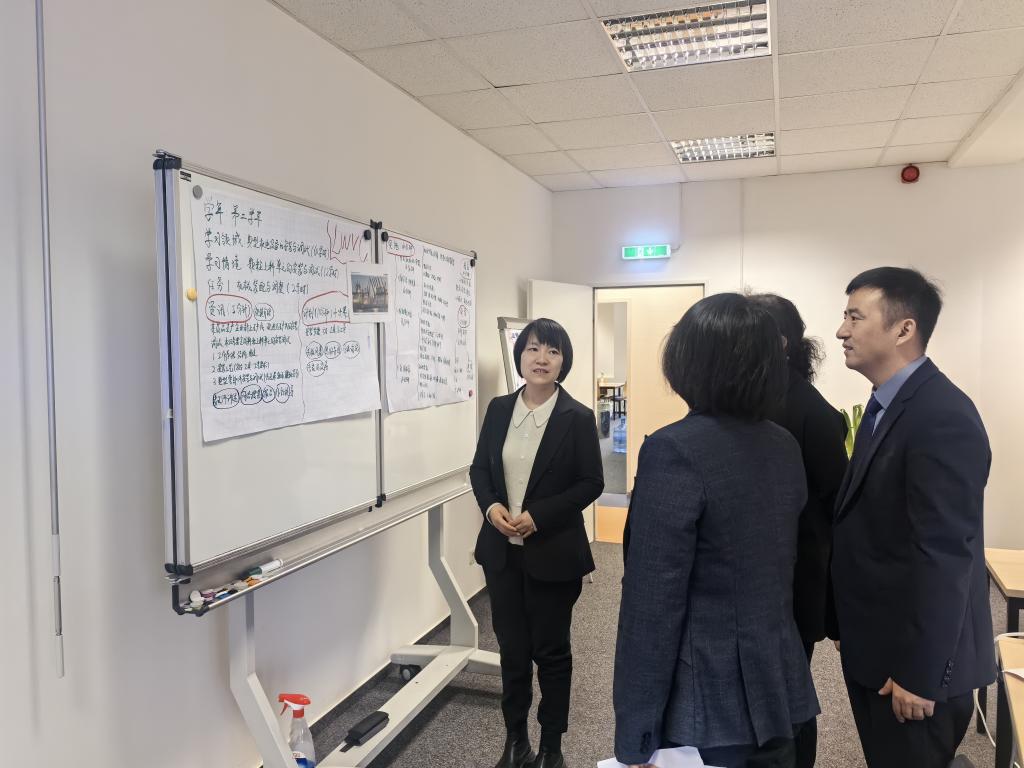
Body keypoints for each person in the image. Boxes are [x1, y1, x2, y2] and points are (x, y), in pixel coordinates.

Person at [614, 293, 818, 768]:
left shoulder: (673, 450)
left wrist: (635, 735)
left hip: (703, 702)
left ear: (688, 363)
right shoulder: (783, 445)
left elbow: (652, 606)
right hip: (779, 685)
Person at [831, 267, 995, 768]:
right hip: (879, 647)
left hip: (913, 668)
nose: (841, 331)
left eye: (855, 317)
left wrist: (921, 673)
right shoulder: (888, 405)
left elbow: (945, 554)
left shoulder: (940, 414)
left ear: (904, 329)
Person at [470, 318, 604, 768]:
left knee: (551, 652)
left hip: (554, 553)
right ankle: (515, 741)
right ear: (520, 356)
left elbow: (591, 482)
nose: (541, 358)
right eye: (532, 349)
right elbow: (479, 470)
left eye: (552, 351)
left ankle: (550, 746)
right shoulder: (498, 409)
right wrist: (492, 508)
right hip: (502, 554)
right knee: (512, 651)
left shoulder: (577, 417)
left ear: (564, 361)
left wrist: (538, 517)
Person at [748, 294, 848, 768]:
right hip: (759, 581)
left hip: (791, 583)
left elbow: (833, 510)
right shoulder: (750, 400)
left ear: (781, 343)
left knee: (789, 699)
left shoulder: (811, 413)